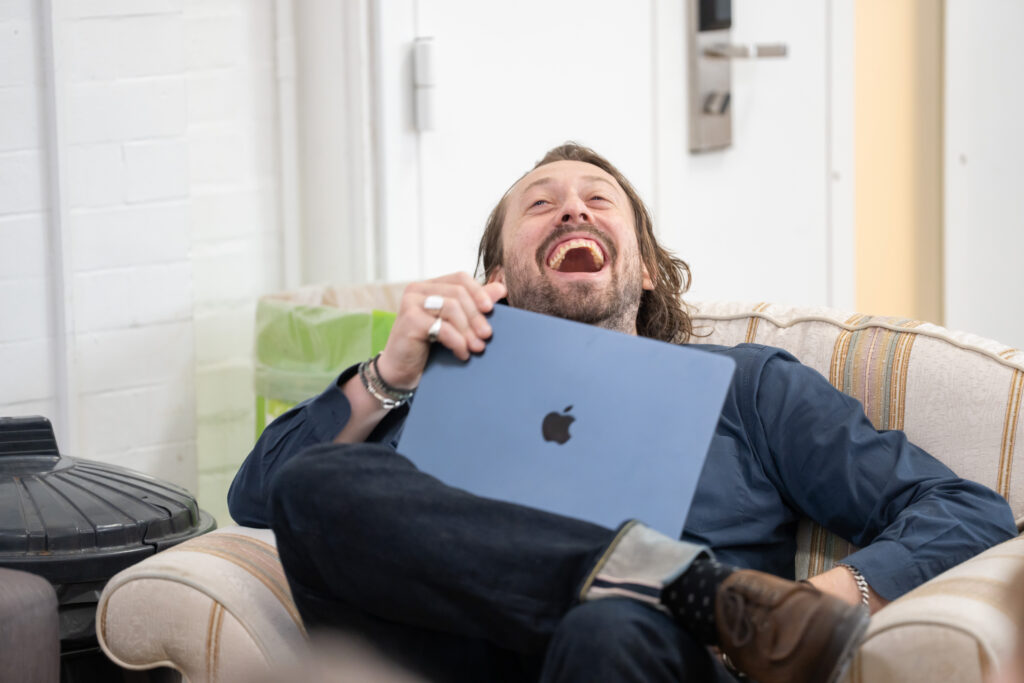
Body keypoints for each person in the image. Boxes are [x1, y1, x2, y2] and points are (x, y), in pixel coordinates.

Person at [228, 143, 1016, 683]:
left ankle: (697, 607)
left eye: (598, 200)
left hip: (644, 659)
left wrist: (835, 594)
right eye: (542, 203)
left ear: (644, 271)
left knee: (607, 627)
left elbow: (965, 508)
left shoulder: (745, 386)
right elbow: (264, 495)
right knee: (315, 481)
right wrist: (390, 372)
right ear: (497, 275)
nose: (572, 211)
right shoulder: (437, 383)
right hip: (455, 658)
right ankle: (701, 590)